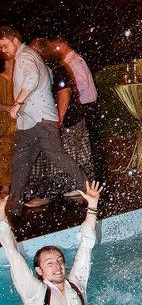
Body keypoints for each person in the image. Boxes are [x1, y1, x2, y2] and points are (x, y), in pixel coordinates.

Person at [0, 26, 89, 215]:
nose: (3, 50)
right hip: (31, 121)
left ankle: (88, 189)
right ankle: (13, 206)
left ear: (15, 40)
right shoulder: (31, 56)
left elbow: (32, 79)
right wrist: (20, 106)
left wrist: (18, 103)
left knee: (56, 158)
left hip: (40, 121)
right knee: (20, 163)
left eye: (5, 45)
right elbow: (46, 76)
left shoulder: (25, 56)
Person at [0, 181, 102, 305]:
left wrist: (92, 206)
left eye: (60, 261)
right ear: (39, 271)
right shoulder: (34, 292)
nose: (57, 266)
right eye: (49, 263)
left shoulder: (77, 283)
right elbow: (12, 253)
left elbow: (86, 245)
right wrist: (1, 215)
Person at [25, 38, 94, 209]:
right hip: (47, 121)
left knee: (69, 154)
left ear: (41, 53)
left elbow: (64, 93)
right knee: (48, 158)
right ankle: (47, 193)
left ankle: (76, 189)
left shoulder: (58, 69)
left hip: (68, 120)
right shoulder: (42, 70)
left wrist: (59, 119)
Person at [50, 36, 103, 177]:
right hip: (84, 105)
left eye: (56, 47)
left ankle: (94, 175)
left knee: (90, 141)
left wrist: (72, 96)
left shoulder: (74, 62)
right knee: (88, 141)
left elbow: (82, 85)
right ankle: (92, 174)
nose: (55, 50)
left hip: (86, 105)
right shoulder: (69, 62)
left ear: (64, 44)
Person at [0, 53, 14, 195]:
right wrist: (6, 107)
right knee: (4, 154)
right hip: (4, 123)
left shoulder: (18, 78)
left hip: (19, 122)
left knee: (15, 154)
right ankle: (5, 186)